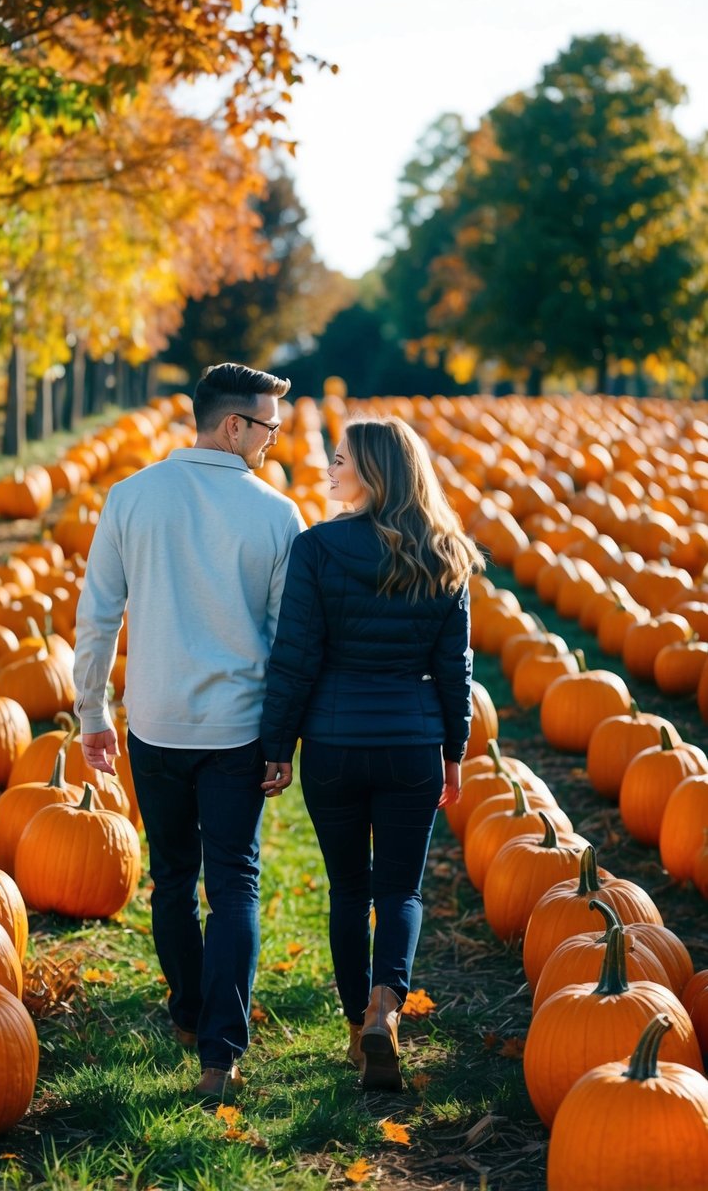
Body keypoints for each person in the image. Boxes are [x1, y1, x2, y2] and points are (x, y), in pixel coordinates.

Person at [73, 362, 305, 1103]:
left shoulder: (131, 497)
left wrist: (93, 712)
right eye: (268, 425)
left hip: (158, 724)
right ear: (233, 425)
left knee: (172, 875)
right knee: (232, 881)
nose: (274, 439)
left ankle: (186, 1011)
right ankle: (219, 1050)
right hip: (238, 729)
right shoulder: (275, 514)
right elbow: (284, 639)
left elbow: (98, 614)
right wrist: (281, 738)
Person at [260, 417, 484, 1091]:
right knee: (399, 890)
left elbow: (295, 658)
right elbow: (455, 670)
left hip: (332, 742)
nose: (330, 470)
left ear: (373, 474)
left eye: (340, 460)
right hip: (411, 743)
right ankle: (386, 1008)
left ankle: (358, 1030)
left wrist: (277, 746)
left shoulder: (318, 548)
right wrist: (455, 751)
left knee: (348, 890)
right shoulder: (446, 552)